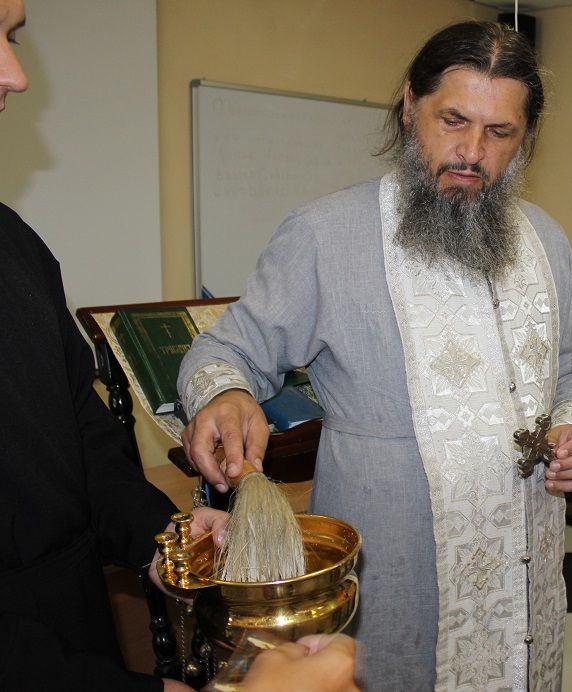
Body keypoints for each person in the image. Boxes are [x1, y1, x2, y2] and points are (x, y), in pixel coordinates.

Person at [177, 20, 572, 691]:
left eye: (500, 133)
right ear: (409, 106)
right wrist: (226, 392)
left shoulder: (545, 239)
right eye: (453, 121)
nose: (472, 152)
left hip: (526, 565)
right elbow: (223, 350)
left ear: (525, 138)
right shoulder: (325, 234)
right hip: (391, 569)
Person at [0, 3, 357, 691]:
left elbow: (83, 445)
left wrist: (166, 543)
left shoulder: (16, 247)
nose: (16, 75)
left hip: (75, 620)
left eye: (12, 37)